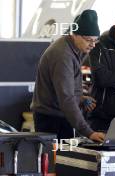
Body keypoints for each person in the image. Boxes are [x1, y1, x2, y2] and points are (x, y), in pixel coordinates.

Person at [31, 10, 105, 142]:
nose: (93, 45)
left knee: (66, 160)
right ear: (75, 35)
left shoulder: (74, 49)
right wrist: (89, 133)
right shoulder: (63, 56)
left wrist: (80, 98)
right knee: (59, 161)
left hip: (61, 115)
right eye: (89, 40)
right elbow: (66, 99)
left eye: (95, 41)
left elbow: (64, 87)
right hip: (52, 121)